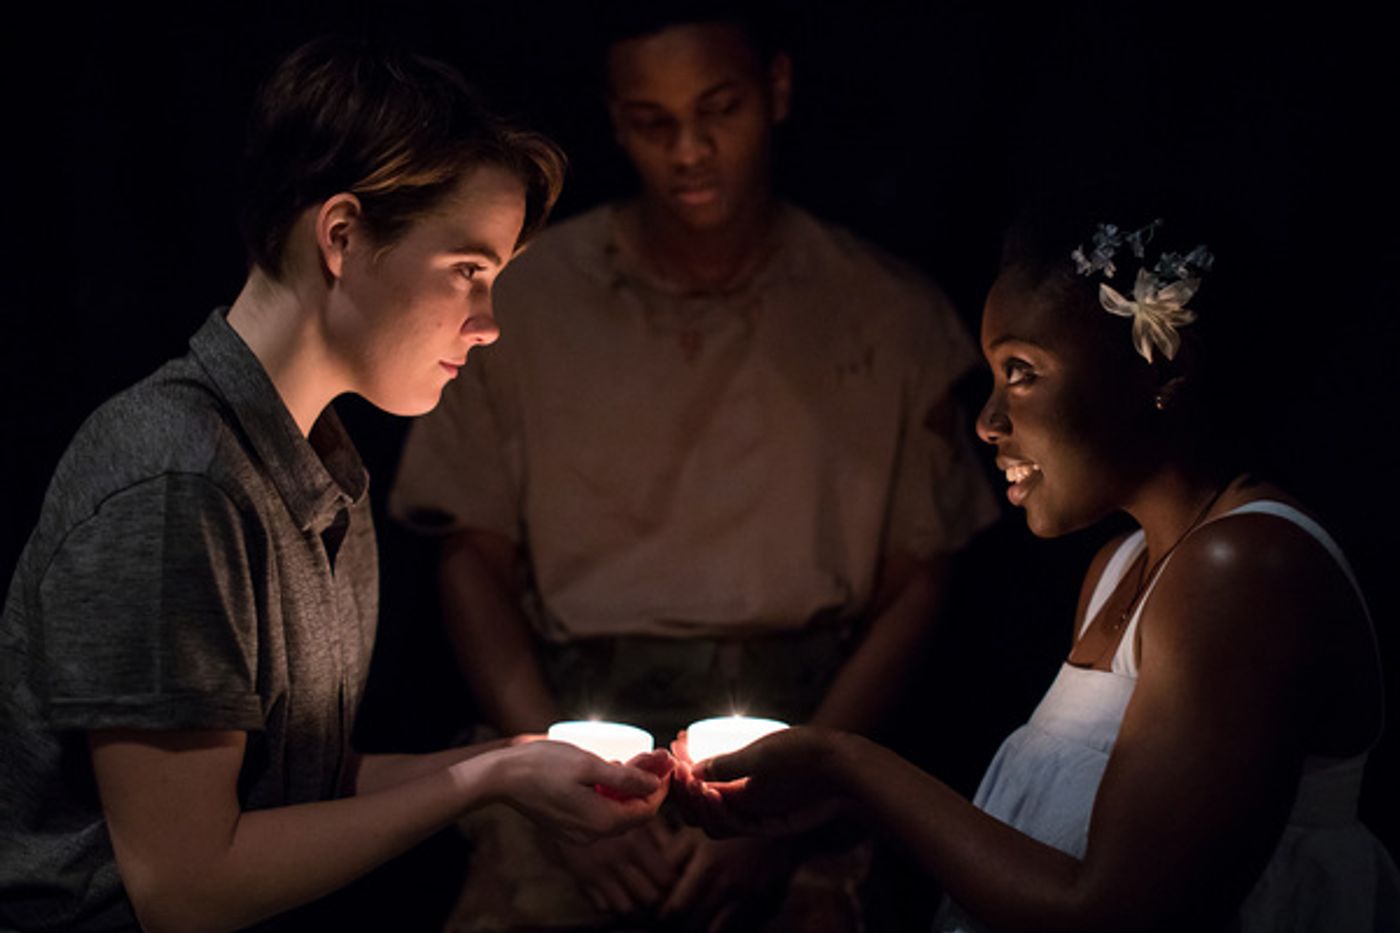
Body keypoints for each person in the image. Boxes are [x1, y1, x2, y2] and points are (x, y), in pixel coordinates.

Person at [0, 36, 672, 933]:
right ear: (344, 237)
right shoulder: (176, 479)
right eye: (470, 272)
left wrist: (519, 763)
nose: (488, 324)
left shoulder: (317, 463)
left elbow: (291, 782)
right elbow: (186, 887)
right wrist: (486, 778)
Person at [388, 4, 997, 929]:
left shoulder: (886, 315)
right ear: (611, 115)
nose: (689, 151)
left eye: (719, 110)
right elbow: (472, 556)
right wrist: (558, 781)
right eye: (652, 122)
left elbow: (920, 580)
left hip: (806, 749)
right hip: (575, 735)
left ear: (777, 90)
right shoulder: (523, 305)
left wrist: (792, 800)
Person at [674, 203, 1400, 931]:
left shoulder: (1242, 568)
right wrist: (835, 790)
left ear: (1160, 368)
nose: (989, 420)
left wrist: (849, 766)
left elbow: (1110, 911)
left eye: (1021, 371)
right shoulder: (1118, 571)